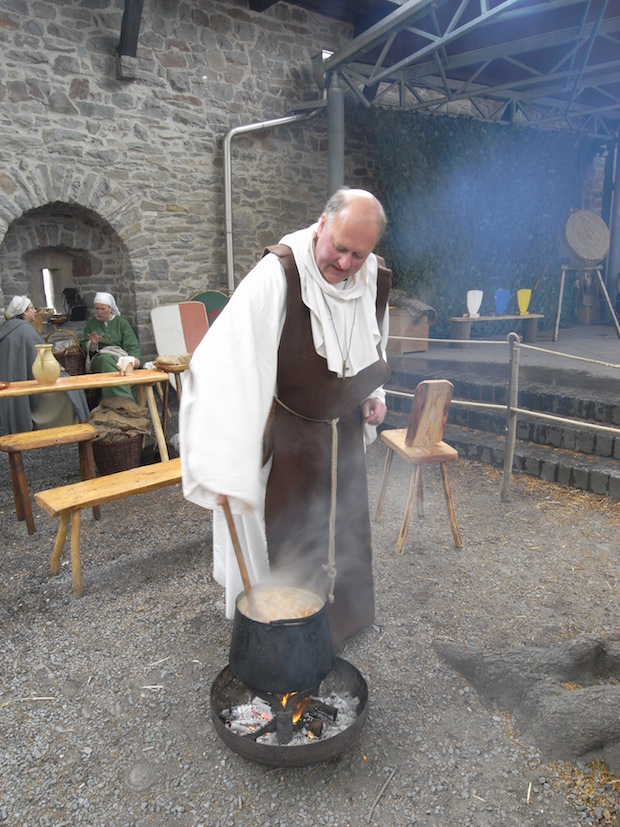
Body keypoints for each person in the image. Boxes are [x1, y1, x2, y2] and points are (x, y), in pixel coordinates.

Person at [180, 188, 391, 650]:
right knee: (283, 533)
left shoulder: (373, 275)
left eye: (359, 253)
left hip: (344, 433)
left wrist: (372, 390)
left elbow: (372, 337)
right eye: (339, 247)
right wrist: (223, 459)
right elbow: (224, 364)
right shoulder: (278, 274)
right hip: (287, 433)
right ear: (322, 224)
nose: (346, 263)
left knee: (342, 525)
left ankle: (340, 620)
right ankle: (273, 637)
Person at [0, 295, 89, 435]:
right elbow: (42, 362)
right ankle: (64, 426)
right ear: (24, 312)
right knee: (71, 391)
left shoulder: (6, 328)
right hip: (30, 381)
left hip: (13, 379)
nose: (35, 311)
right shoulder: (26, 331)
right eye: (32, 308)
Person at [80, 292, 141, 399]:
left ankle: (122, 404)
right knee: (105, 360)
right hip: (100, 357)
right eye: (97, 308)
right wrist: (92, 344)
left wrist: (135, 358)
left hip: (119, 357)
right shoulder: (90, 325)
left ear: (110, 308)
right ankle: (126, 401)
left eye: (102, 309)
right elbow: (84, 346)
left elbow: (132, 344)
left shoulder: (122, 323)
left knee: (129, 373)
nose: (99, 312)